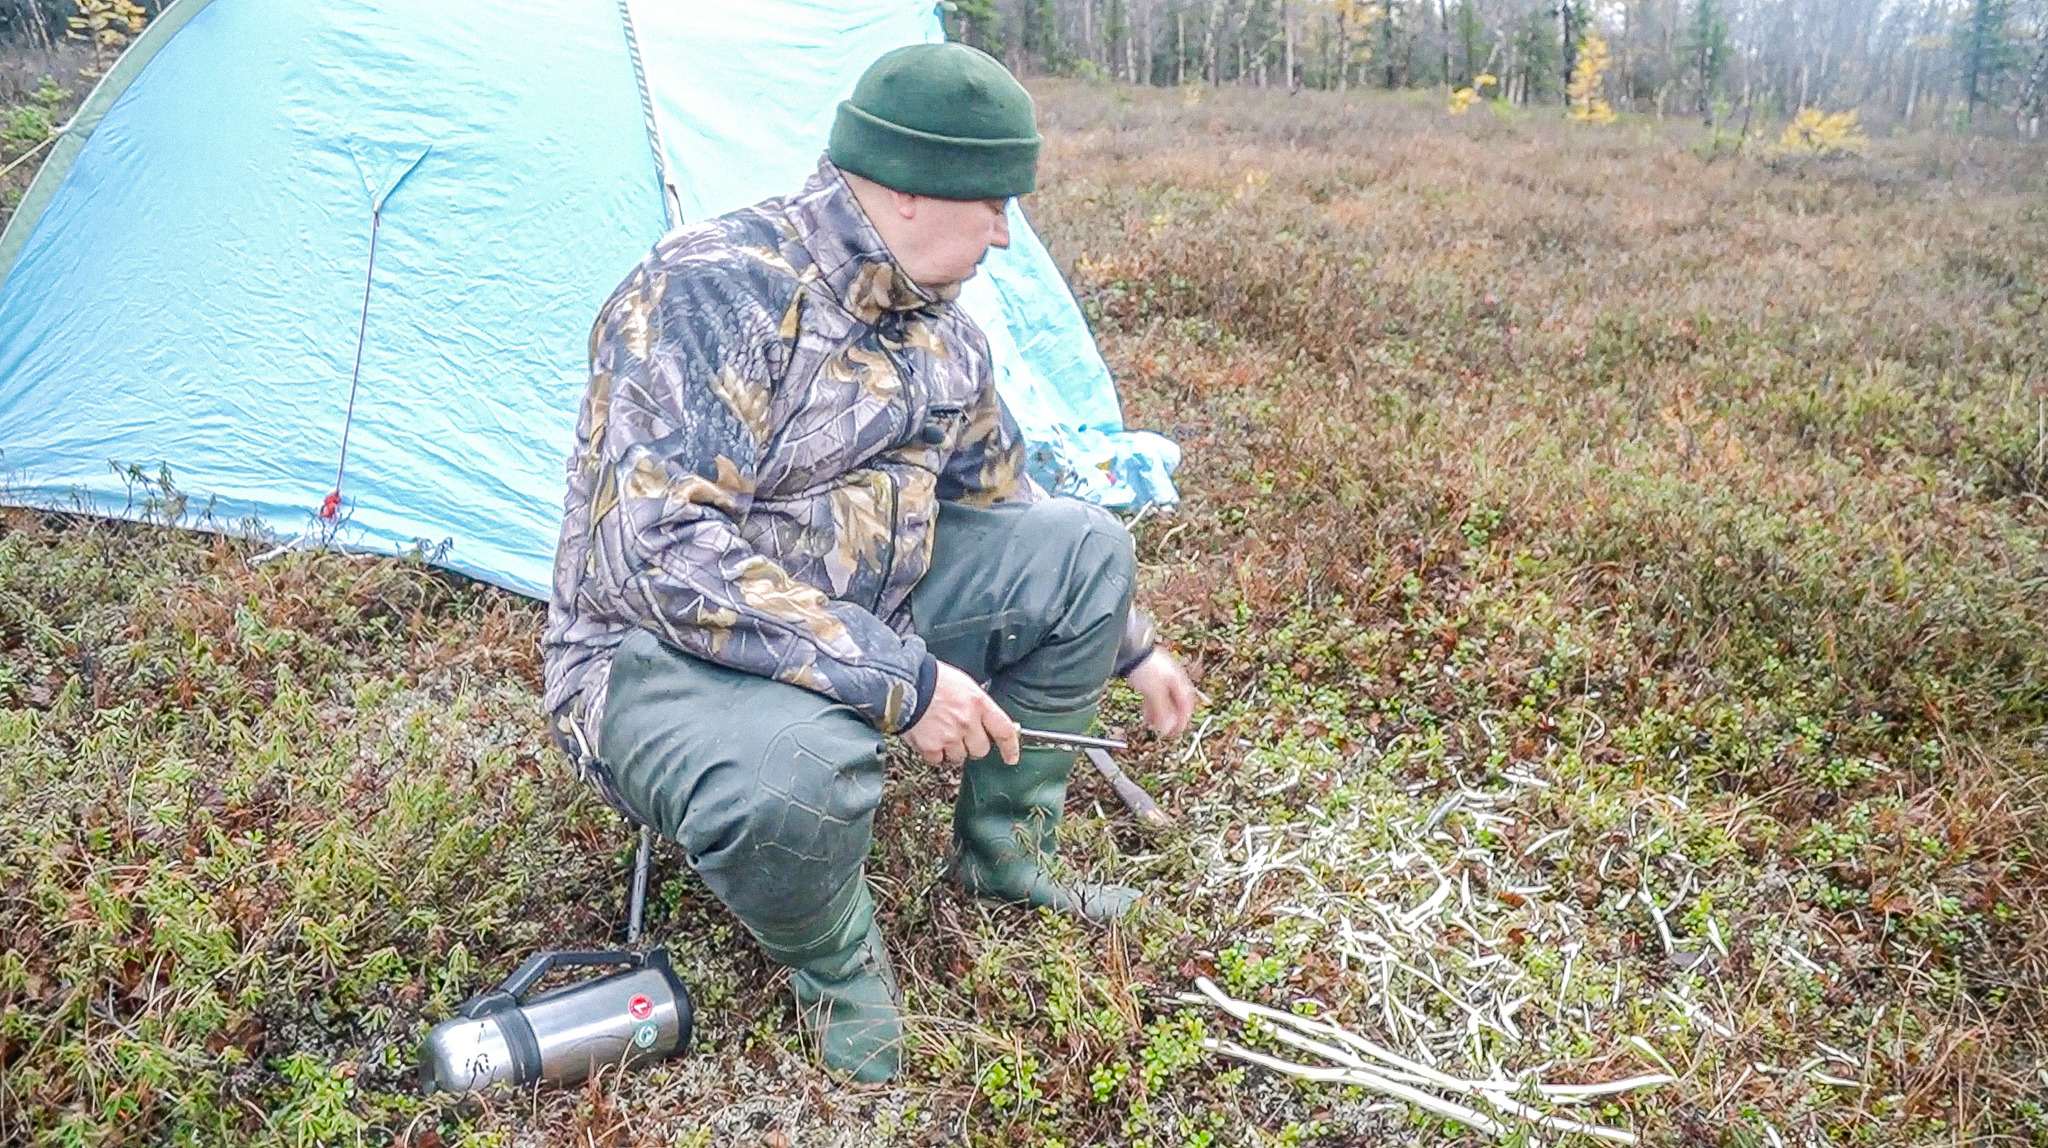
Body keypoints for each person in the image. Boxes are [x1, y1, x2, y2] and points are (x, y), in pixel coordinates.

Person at [541, 41, 1198, 1084]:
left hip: (860, 608)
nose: (1004, 231)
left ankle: (1006, 858)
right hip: (656, 655)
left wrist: (1131, 645)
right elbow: (655, 553)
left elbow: (1003, 499)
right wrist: (901, 679)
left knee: (1086, 546)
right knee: (804, 766)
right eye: (989, 201)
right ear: (902, 190)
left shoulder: (943, 329)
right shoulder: (711, 291)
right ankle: (835, 968)